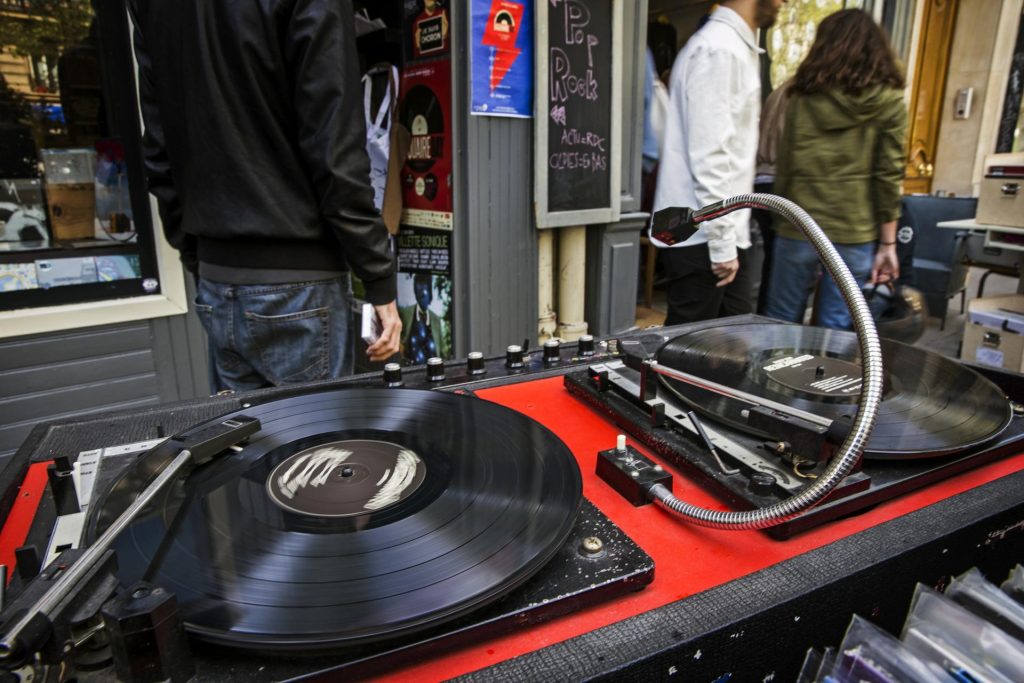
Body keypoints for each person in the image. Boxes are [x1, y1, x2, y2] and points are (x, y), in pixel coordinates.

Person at [128, 0, 401, 392]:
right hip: (300, 283)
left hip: (217, 277)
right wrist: (378, 279)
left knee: (245, 447)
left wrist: (197, 255)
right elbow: (334, 151)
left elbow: (158, 148)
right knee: (315, 449)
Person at [763, 9, 906, 330]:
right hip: (854, 231)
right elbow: (888, 175)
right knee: (835, 326)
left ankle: (772, 379)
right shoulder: (889, 101)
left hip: (799, 224)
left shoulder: (802, 95)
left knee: (780, 321)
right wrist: (888, 244)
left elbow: (787, 164)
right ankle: (824, 380)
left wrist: (782, 220)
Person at [651, 0, 786, 325]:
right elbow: (710, 156)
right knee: (692, 353)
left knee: (726, 347)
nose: (783, 2)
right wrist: (723, 242)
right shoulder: (719, 50)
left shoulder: (729, 47)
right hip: (703, 233)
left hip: (710, 229)